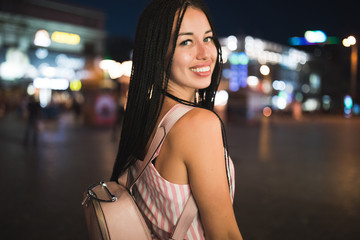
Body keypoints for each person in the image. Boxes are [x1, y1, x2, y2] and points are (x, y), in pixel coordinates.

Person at [110, 0, 243, 239]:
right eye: (186, 41)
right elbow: (224, 233)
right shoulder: (199, 124)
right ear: (158, 53)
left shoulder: (148, 116)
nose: (205, 53)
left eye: (208, 38)